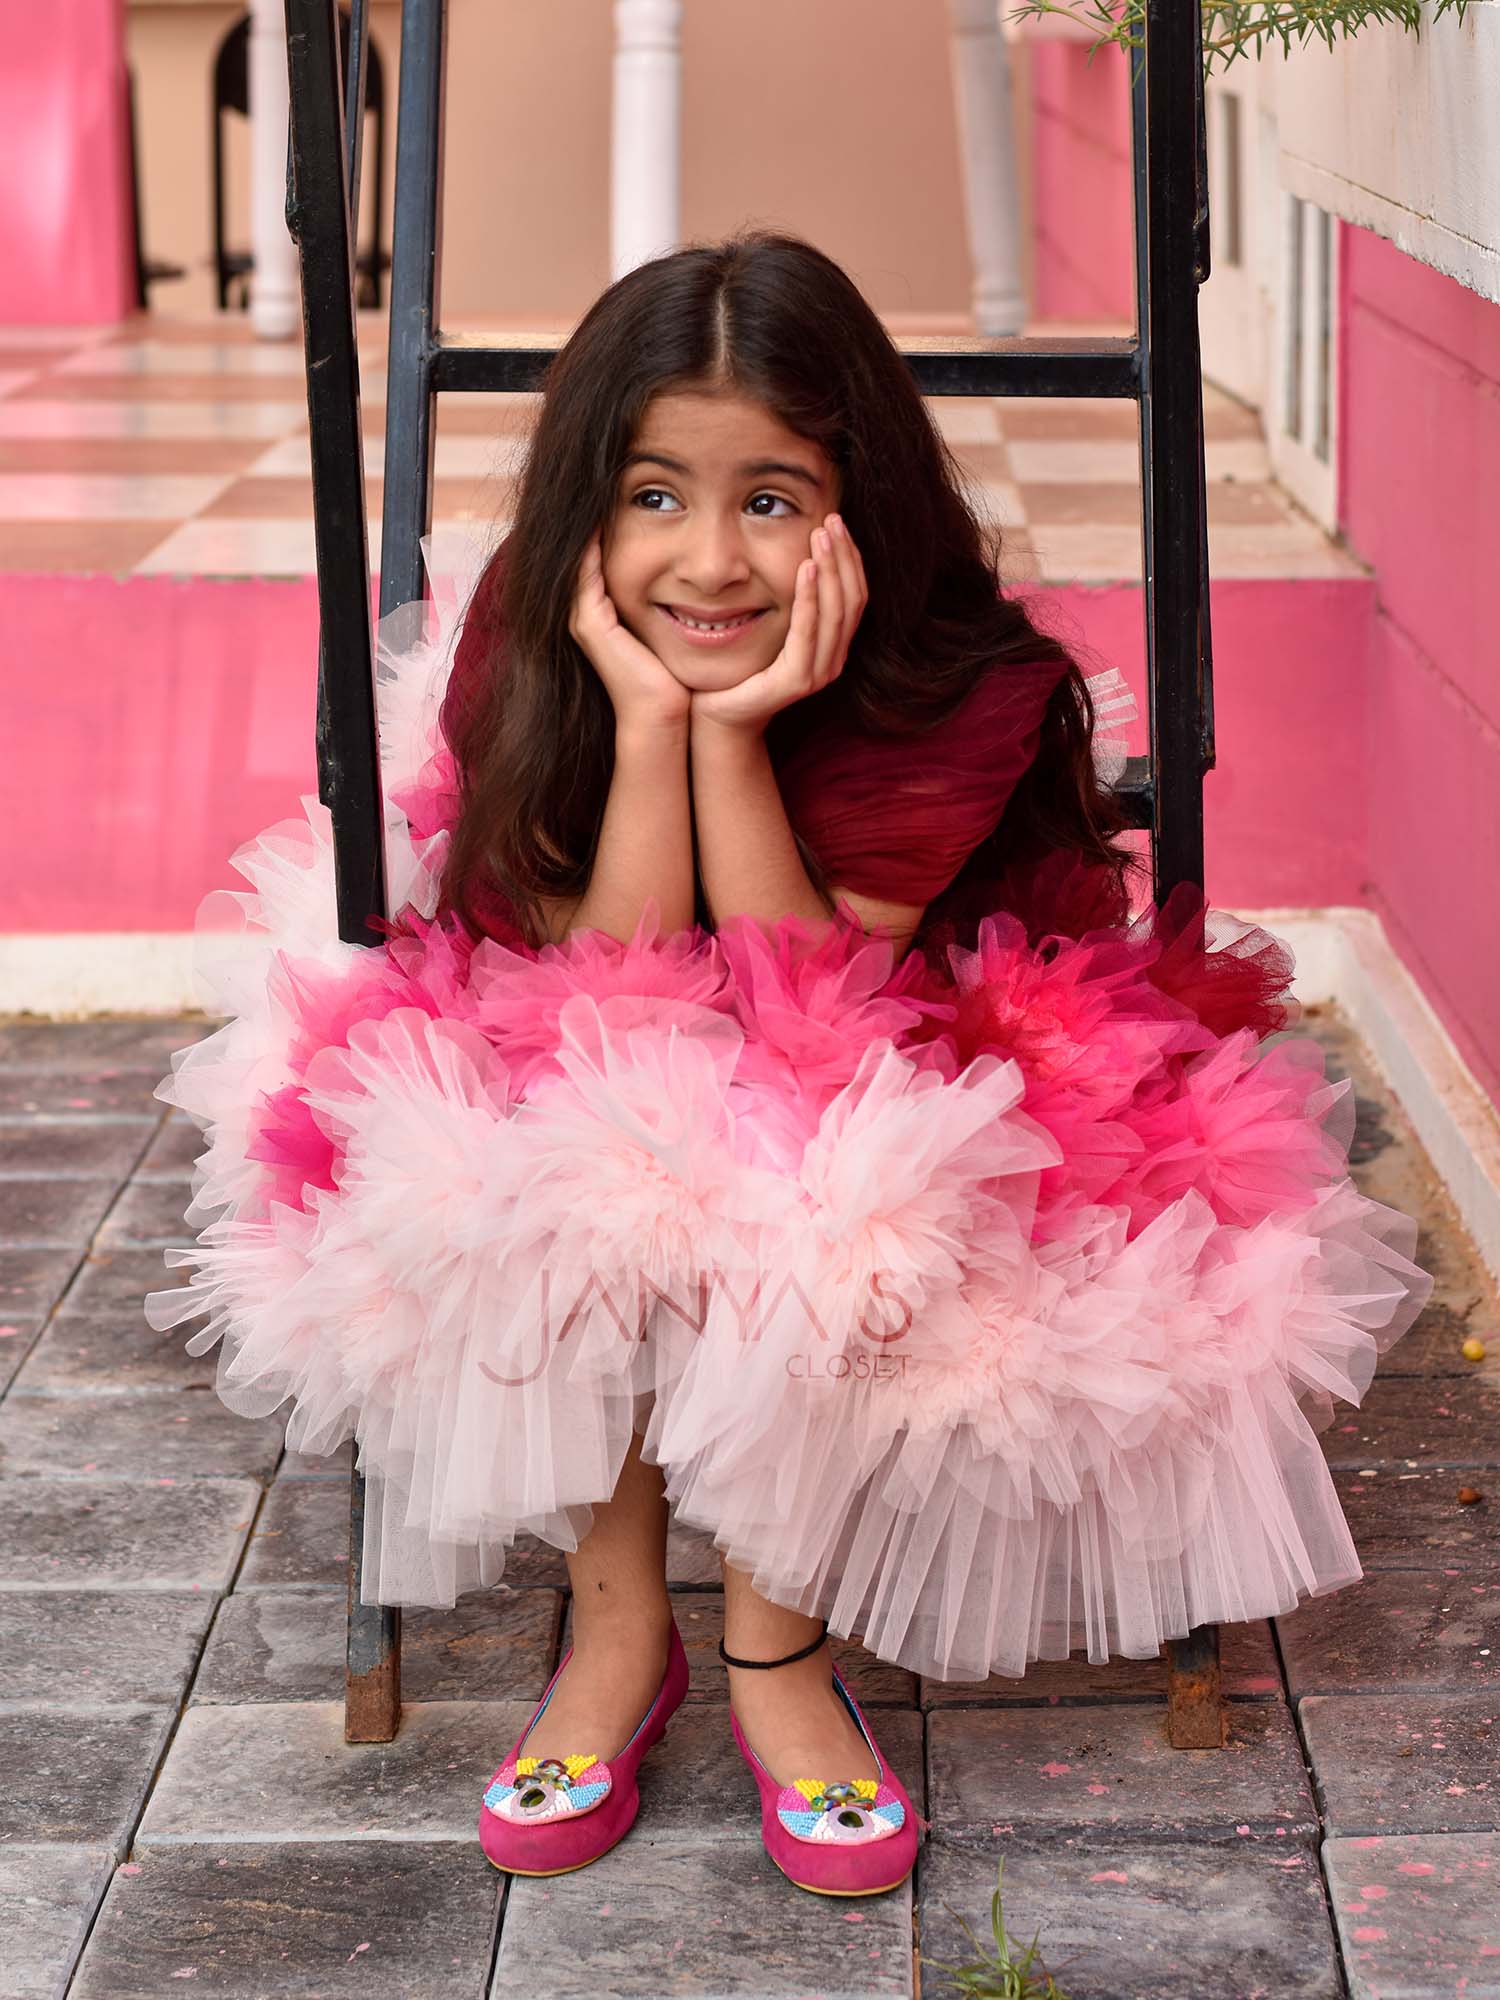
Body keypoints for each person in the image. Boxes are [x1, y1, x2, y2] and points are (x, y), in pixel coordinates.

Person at [146, 228, 1432, 1898]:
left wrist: (739, 729)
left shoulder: (959, 686)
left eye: (770, 498)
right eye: (656, 495)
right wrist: (650, 719)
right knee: (570, 1151)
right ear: (585, 515)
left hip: (916, 1065)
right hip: (617, 1026)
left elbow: (806, 1005)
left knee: (829, 1189)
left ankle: (775, 1646)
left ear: (857, 504)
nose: (710, 559)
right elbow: (601, 989)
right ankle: (617, 1634)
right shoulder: (541, 650)